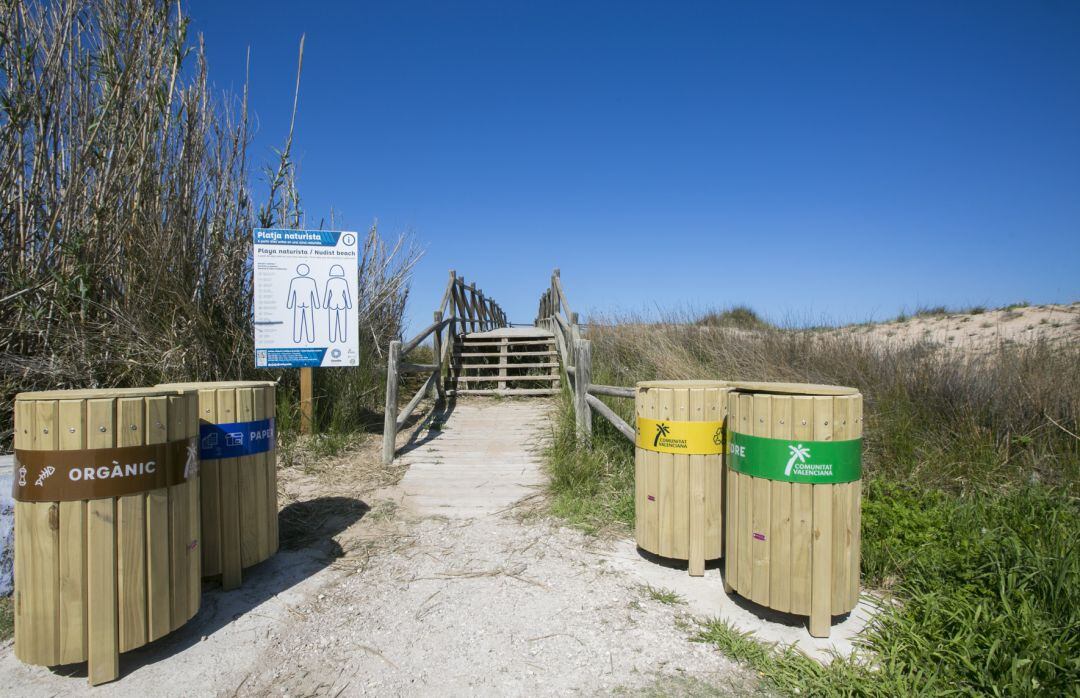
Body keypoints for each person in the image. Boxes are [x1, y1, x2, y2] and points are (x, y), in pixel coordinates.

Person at [286, 264, 320, 343]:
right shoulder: (310, 281)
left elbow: (314, 293)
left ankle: (300, 339)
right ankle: (307, 339)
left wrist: (290, 304)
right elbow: (292, 293)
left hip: (300, 304)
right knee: (305, 321)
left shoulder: (296, 280)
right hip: (303, 304)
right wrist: (317, 304)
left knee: (302, 321)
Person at [323, 264, 352, 342]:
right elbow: (346, 295)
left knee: (333, 322)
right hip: (341, 303)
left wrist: (325, 305)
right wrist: (348, 305)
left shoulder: (330, 281)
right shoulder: (343, 281)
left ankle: (333, 339)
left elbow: (327, 294)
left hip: (332, 303)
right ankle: (342, 338)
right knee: (341, 322)